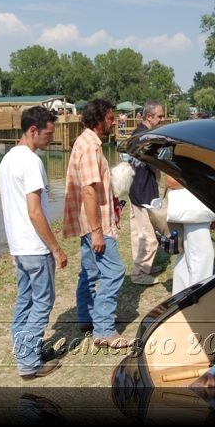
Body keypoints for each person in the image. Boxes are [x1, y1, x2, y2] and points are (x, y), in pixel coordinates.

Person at [0, 106, 68, 380]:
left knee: (25, 300)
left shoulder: (7, 160)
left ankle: (27, 348)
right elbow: (35, 211)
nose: (51, 138)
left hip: (20, 245)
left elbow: (5, 207)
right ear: (33, 131)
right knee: (42, 301)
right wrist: (56, 248)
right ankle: (28, 362)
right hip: (35, 248)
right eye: (49, 134)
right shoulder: (30, 161)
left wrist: (12, 245)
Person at [63, 98, 130, 349]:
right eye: (111, 118)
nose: (114, 122)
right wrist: (98, 232)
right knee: (114, 272)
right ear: (100, 119)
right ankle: (104, 330)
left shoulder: (84, 141)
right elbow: (89, 191)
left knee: (90, 272)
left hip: (87, 220)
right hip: (96, 222)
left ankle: (86, 318)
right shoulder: (91, 146)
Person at [128, 100, 166, 285]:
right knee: (149, 238)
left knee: (139, 233)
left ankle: (143, 266)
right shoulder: (145, 137)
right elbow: (157, 164)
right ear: (149, 117)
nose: (163, 119)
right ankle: (140, 273)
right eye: (159, 116)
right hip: (142, 192)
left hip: (136, 189)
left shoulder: (138, 134)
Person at [165, 174, 215, 295]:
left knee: (186, 258)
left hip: (194, 213)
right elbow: (170, 181)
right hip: (193, 214)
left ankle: (182, 297)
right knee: (201, 259)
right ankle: (196, 299)